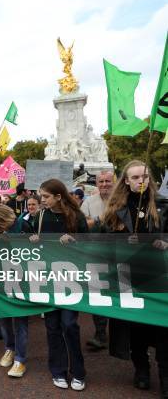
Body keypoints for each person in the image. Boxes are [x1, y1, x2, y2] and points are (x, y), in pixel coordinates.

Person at [100, 161, 168, 395]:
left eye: (145, 177)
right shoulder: (116, 210)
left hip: (159, 276)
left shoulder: (163, 206)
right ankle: (141, 370)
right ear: (126, 181)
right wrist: (121, 242)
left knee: (163, 327)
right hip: (129, 277)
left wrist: (165, 244)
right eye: (136, 177)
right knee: (136, 327)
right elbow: (104, 246)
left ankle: (165, 374)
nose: (141, 181)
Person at [30, 178, 88, 391]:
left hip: (70, 278)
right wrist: (33, 238)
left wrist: (74, 241)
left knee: (70, 325)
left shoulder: (76, 216)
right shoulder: (40, 215)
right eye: (41, 196)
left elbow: (89, 245)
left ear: (58, 196)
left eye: (45, 197)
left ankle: (78, 372)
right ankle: (58, 370)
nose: (41, 200)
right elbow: (27, 237)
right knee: (52, 326)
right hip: (47, 277)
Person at [0, 204, 29, 378]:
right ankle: (9, 348)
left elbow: (34, 249)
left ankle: (21, 358)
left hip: (21, 278)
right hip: (1, 277)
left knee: (20, 320)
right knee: (4, 317)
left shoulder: (23, 225)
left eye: (0, 226)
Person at [80, 170, 115, 350]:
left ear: (113, 181)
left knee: (118, 294)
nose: (104, 184)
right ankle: (100, 333)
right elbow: (82, 224)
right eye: (101, 181)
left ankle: (119, 335)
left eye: (107, 181)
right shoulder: (89, 202)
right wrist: (99, 219)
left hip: (118, 255)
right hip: (95, 254)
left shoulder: (121, 200)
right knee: (97, 293)